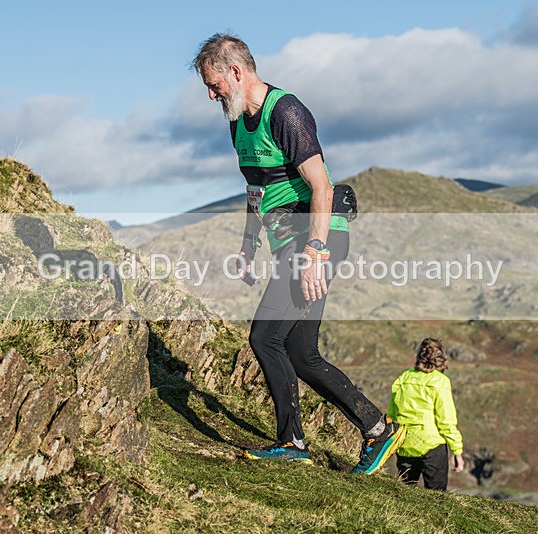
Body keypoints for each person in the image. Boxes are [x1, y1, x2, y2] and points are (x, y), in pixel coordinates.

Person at [192, 33, 406, 474]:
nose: (211, 94)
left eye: (214, 84)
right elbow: (256, 189)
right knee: (301, 351)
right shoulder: (236, 122)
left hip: (316, 237)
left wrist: (314, 253)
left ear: (236, 72)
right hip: (289, 240)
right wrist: (248, 247)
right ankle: (376, 428)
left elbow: (321, 187)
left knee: (264, 337)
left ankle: (292, 442)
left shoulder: (286, 112)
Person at [387, 338, 465, 490]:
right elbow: (446, 420)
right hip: (432, 445)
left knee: (404, 491)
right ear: (440, 357)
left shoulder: (404, 378)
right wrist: (457, 451)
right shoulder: (440, 381)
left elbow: (392, 413)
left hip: (405, 443)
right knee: (437, 496)